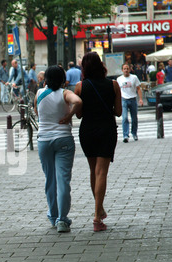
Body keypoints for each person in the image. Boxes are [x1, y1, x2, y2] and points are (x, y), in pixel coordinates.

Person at [74, 52, 122, 232]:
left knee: (93, 171)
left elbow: (79, 114)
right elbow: (118, 112)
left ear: (84, 68)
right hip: (106, 130)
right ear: (101, 65)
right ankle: (96, 217)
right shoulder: (114, 85)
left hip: (87, 131)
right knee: (102, 172)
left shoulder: (80, 87)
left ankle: (99, 209)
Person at [35, 65, 83, 233]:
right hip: (63, 139)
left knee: (50, 180)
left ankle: (53, 216)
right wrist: (68, 116)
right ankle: (62, 220)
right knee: (63, 180)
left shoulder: (39, 94)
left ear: (45, 79)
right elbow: (78, 101)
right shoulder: (65, 93)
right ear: (63, 79)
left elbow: (37, 114)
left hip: (44, 141)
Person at [117, 63, 143, 143]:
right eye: (124, 69)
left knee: (134, 118)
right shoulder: (119, 79)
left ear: (130, 69)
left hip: (133, 99)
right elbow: (117, 91)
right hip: (123, 99)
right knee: (124, 118)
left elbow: (138, 88)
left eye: (127, 68)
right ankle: (125, 135)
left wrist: (141, 99)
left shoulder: (134, 77)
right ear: (122, 70)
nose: (126, 70)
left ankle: (134, 133)